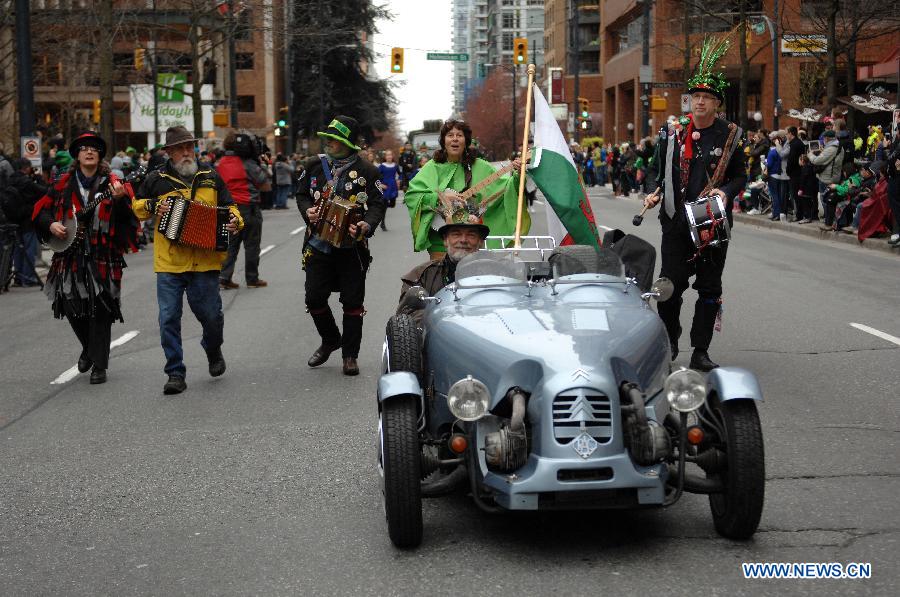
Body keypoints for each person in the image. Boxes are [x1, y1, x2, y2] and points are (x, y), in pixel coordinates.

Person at [643, 37, 746, 372]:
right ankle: (670, 341)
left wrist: (726, 191)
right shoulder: (672, 133)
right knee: (668, 287)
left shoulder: (730, 135)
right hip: (675, 221)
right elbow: (654, 171)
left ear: (717, 103)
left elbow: (742, 175)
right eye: (695, 96)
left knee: (709, 288)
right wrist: (653, 191)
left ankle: (701, 350)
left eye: (707, 97)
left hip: (710, 222)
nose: (700, 101)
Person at [132, 126, 243, 395]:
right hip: (170, 262)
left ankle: (213, 348)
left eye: (189, 147)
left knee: (212, 317)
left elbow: (231, 207)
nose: (186, 153)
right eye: (180, 148)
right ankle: (175, 372)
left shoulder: (210, 176)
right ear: (169, 152)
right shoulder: (156, 178)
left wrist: (235, 221)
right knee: (168, 318)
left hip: (205, 261)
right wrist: (153, 206)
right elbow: (137, 206)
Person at [32, 132, 140, 384]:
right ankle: (89, 349)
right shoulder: (62, 183)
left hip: (103, 253)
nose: (89, 151)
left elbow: (129, 217)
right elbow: (41, 211)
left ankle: (99, 365)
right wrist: (51, 225)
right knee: (70, 305)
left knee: (101, 309)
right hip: (69, 254)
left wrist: (120, 200)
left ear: (100, 155)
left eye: (94, 148)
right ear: (77, 155)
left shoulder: (113, 183)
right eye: (84, 148)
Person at [295, 116, 386, 376]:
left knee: (352, 301)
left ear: (348, 144)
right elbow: (301, 194)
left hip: (351, 247)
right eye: (329, 139)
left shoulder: (368, 171)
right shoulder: (313, 165)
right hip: (317, 244)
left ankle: (350, 355)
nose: (329, 143)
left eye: (335, 140)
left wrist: (366, 225)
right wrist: (308, 211)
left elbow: (378, 204)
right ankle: (331, 339)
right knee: (314, 298)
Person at [404, 119, 528, 260]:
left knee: (471, 273)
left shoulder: (481, 166)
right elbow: (412, 196)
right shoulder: (431, 167)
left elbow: (506, 188)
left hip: (472, 242)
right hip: (440, 241)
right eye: (450, 135)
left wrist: (518, 174)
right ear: (443, 141)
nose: (455, 139)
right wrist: (438, 197)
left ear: (466, 141)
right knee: (442, 274)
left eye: (459, 135)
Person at [397, 217, 485, 325]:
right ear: (445, 240)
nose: (463, 240)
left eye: (471, 235)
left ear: (480, 242)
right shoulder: (421, 276)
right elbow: (406, 317)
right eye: (456, 234)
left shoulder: (498, 274)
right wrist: (442, 318)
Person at [216, 131, 270, 289]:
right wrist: (263, 165)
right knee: (252, 245)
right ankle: (252, 279)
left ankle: (224, 278)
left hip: (228, 209)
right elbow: (265, 185)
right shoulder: (248, 163)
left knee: (230, 245)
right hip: (248, 207)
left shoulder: (221, 163)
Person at [2, 158, 47, 287]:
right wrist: (38, 179)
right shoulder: (27, 182)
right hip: (27, 219)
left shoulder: (10, 180)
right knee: (29, 248)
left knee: (18, 249)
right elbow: (44, 191)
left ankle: (18, 277)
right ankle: (28, 278)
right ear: (27, 168)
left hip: (13, 219)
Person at [809, 130, 844, 230]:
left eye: (824, 138)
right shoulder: (838, 146)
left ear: (827, 138)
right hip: (833, 176)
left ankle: (830, 222)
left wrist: (810, 154)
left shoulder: (831, 149)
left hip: (827, 178)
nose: (823, 140)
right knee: (830, 201)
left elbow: (816, 161)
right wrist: (823, 151)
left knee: (825, 200)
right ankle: (830, 221)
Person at [784, 126, 806, 222]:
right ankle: (800, 214)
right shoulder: (797, 142)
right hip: (797, 171)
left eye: (786, 134)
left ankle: (799, 215)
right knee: (797, 194)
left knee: (796, 195)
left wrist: (788, 170)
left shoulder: (795, 144)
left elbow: (791, 160)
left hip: (795, 172)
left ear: (790, 134)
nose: (786, 136)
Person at [377, 149, 400, 231]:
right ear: (385, 157)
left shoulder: (395, 165)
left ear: (392, 156)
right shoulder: (382, 166)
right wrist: (380, 185)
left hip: (393, 187)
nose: (389, 156)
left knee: (392, 204)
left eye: (390, 155)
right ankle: (382, 223)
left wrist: (399, 180)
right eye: (387, 155)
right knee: (384, 205)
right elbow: (376, 177)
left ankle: (381, 208)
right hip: (385, 187)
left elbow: (400, 174)